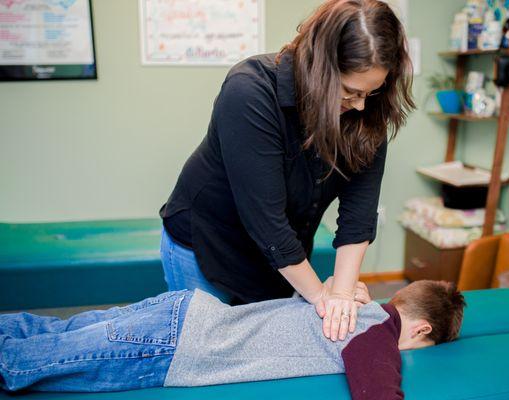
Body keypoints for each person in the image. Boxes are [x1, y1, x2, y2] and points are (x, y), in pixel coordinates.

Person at [159, 0, 416, 343]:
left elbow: (358, 215)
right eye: (351, 92)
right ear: (320, 69)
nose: (360, 104)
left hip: (282, 257)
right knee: (206, 354)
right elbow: (266, 221)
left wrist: (341, 294)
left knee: (265, 352)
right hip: (207, 244)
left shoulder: (365, 113)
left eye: (372, 91)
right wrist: (322, 297)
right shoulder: (249, 90)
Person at [0, 280, 465, 399]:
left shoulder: (352, 298)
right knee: (25, 366)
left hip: (185, 310)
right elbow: (379, 393)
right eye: (420, 348)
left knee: (46, 333)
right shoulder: (374, 334)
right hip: (180, 345)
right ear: (420, 330)